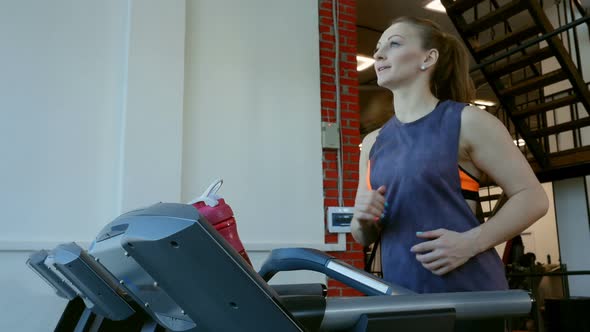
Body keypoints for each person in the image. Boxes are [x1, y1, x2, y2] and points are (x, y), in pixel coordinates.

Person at [351, 16, 548, 296]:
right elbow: (363, 236)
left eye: (394, 44)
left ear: (428, 58)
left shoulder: (468, 122)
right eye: (378, 47)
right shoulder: (373, 142)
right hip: (402, 296)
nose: (379, 53)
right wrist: (361, 219)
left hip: (468, 293)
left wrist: (471, 242)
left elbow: (533, 197)